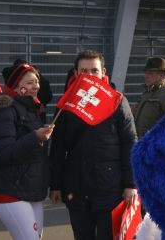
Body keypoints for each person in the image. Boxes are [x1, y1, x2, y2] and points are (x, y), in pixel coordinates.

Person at [49, 50, 137, 240]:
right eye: (84, 71)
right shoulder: (66, 104)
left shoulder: (117, 101)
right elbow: (57, 147)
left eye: (94, 71)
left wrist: (131, 183)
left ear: (103, 72)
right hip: (76, 185)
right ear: (76, 73)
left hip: (110, 187)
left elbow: (130, 142)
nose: (89, 76)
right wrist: (55, 185)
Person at [0, 63, 54, 240]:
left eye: (36, 81)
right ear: (16, 85)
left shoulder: (34, 110)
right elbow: (4, 153)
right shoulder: (4, 111)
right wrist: (35, 137)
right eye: (30, 82)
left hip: (32, 190)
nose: (36, 86)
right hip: (9, 190)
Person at [134, 57, 165, 138]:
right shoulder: (147, 93)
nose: (146, 76)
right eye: (146, 73)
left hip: (157, 146)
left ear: (162, 75)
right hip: (142, 144)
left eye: (150, 73)